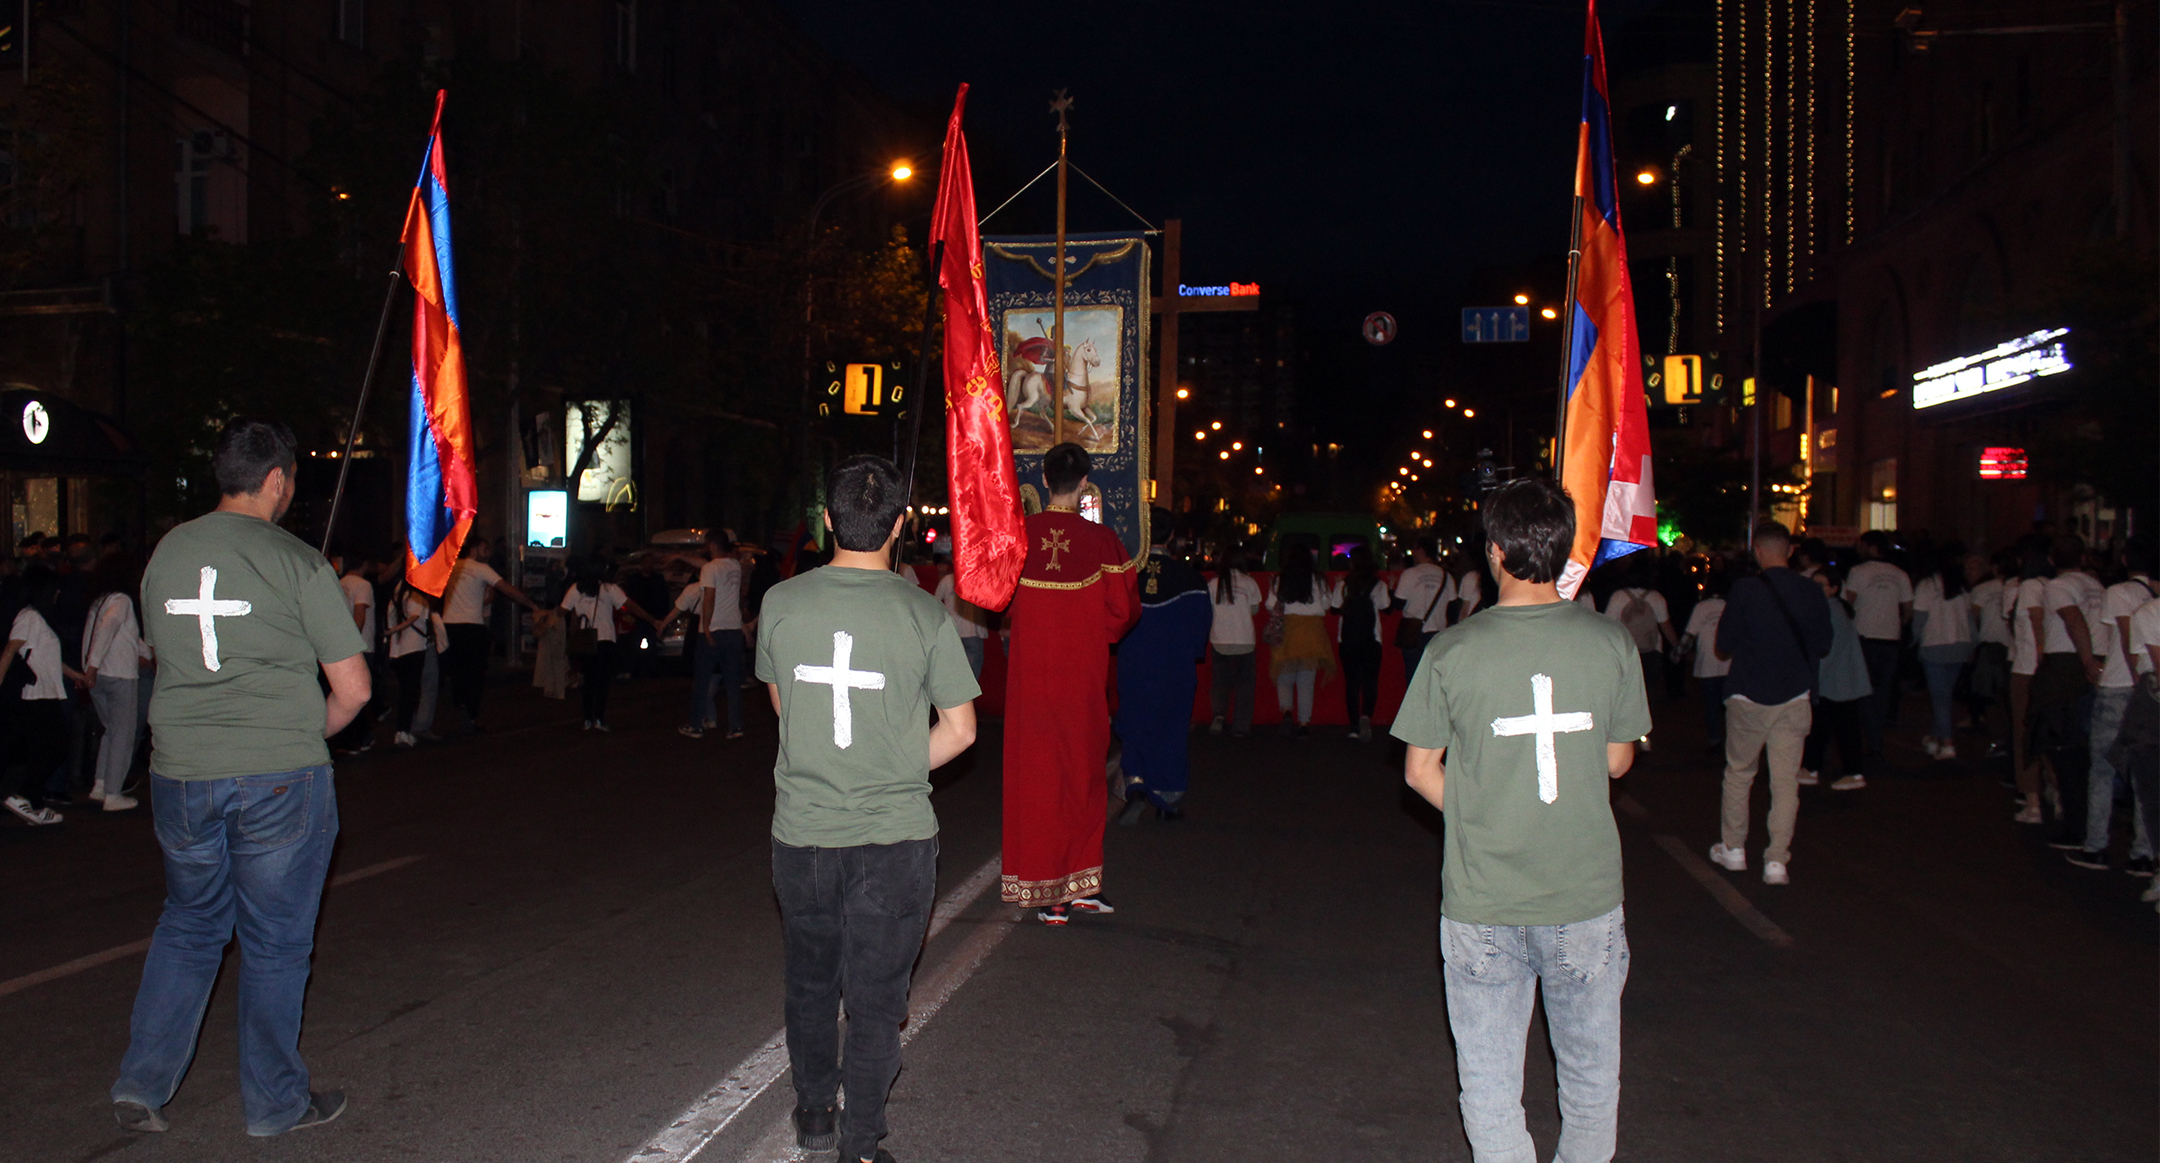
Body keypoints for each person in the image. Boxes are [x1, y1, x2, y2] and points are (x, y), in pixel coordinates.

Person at [110, 418, 369, 1137]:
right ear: (277, 479)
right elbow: (353, 690)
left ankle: (141, 1082)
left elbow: (167, 654)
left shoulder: (167, 552)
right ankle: (274, 1103)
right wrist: (300, 732)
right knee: (276, 942)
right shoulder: (298, 562)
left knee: (189, 923)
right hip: (278, 776)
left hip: (181, 774)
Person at [1391, 476, 1649, 1163]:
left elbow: (1419, 771)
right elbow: (1618, 761)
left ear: (1495, 551)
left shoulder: (1451, 650)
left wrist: (1480, 814)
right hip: (1584, 894)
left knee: (1491, 1087)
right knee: (1591, 1083)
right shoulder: (1610, 642)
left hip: (1484, 897)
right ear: (1563, 549)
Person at [754, 455, 979, 1163]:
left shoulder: (781, 603)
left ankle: (815, 1111)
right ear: (901, 524)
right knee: (877, 1001)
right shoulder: (925, 613)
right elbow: (962, 730)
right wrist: (892, 765)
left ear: (828, 519)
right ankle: (859, 1145)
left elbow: (786, 706)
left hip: (804, 834)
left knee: (811, 982)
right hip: (894, 840)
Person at [1000, 442, 1138, 924]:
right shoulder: (1102, 541)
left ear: (1043, 479)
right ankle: (1060, 891)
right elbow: (1124, 611)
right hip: (1081, 681)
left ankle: (1068, 889)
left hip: (1032, 683)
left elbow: (1000, 601)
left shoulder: (1021, 538)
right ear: (1084, 483)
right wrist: (1088, 633)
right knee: (1083, 778)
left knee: (1041, 780)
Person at [1712, 522, 1833, 885]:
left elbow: (1724, 644)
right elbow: (1823, 644)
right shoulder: (1811, 590)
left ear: (1758, 551)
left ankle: (1734, 849)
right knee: (1785, 781)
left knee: (1740, 773)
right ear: (1791, 551)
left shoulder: (1745, 589)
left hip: (1748, 692)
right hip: (1794, 695)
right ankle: (1777, 860)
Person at [1114, 510, 1214, 823]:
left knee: (1134, 723)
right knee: (1170, 728)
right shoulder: (1190, 578)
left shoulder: (1127, 575)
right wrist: (1192, 653)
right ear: (1171, 536)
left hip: (1134, 663)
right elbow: (1200, 624)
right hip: (1174, 666)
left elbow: (1114, 619)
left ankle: (1135, 784)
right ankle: (1166, 799)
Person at [2075, 538, 2157, 871]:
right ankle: (2143, 852)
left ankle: (2096, 845)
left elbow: (2125, 635)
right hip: (2147, 694)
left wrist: (2136, 677)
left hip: (2121, 688)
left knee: (2102, 769)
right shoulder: (2153, 596)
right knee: (2144, 774)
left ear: (2125, 559)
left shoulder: (2120, 592)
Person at [2033, 535, 2104, 847]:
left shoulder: (2058, 586)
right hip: (2093, 661)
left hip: (2067, 667)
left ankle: (2077, 827)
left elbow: (2072, 618)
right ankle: (2087, 822)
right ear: (2083, 558)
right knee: (2081, 749)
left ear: (2052, 559)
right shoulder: (2095, 586)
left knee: (2064, 748)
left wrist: (2087, 661)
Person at [1, 565, 86, 824]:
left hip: (45, 692)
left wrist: (75, 676)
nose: (57, 594)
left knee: (43, 749)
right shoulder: (30, 617)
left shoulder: (38, 618)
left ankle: (34, 805)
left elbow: (48, 658)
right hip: (36, 694)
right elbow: (10, 650)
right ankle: (23, 796)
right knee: (55, 748)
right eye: (54, 589)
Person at [441, 537, 542, 732]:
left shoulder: (452, 566)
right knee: (475, 672)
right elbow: (507, 589)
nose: (487, 552)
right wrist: (530, 604)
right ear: (474, 548)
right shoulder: (481, 568)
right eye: (485, 548)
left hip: (450, 624)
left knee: (457, 669)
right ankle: (470, 715)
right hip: (471, 625)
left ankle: (459, 703)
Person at [81, 553, 147, 811]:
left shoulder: (100, 601)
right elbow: (109, 628)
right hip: (119, 674)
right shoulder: (122, 600)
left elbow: (118, 635)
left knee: (111, 730)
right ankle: (113, 793)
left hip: (100, 676)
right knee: (123, 734)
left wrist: (91, 667)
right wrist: (93, 666)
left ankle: (101, 785)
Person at [559, 562, 657, 732]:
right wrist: (652, 620)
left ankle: (587, 719)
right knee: (602, 681)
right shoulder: (609, 589)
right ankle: (599, 718)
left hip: (585, 639)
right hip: (605, 639)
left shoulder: (576, 588)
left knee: (588, 680)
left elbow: (563, 611)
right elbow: (630, 605)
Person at [1800, 567, 1873, 790]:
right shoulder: (1834, 609)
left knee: (1837, 729)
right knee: (1830, 728)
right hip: (1840, 682)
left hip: (1836, 682)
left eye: (1821, 584)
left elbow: (1826, 653)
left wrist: (1811, 681)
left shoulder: (1831, 612)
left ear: (1833, 588)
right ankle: (1815, 768)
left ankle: (1848, 772)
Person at [1844, 530, 1913, 755]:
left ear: (1871, 547)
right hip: (1890, 639)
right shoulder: (1900, 574)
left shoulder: (1858, 572)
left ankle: (1866, 737)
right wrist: (1898, 624)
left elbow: (1848, 603)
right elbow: (1908, 609)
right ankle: (1876, 737)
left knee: (1863, 689)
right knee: (1883, 691)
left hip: (1864, 637)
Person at [1601, 557, 1679, 739]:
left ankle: (1626, 735)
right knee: (1646, 695)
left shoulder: (1618, 596)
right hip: (1652, 653)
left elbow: (1608, 625)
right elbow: (1666, 626)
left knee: (1624, 696)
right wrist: (1677, 647)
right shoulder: (1657, 597)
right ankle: (1643, 733)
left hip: (1624, 654)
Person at [679, 530, 746, 740]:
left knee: (702, 680)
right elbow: (709, 566)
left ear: (712, 545)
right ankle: (736, 726)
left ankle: (696, 725)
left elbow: (709, 598)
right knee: (733, 682)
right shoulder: (734, 566)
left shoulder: (710, 569)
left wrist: (706, 628)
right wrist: (680, 557)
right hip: (733, 629)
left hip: (713, 630)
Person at [1909, 545, 1974, 760]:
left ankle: (1947, 742)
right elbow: (1970, 620)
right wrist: (1972, 645)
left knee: (1940, 698)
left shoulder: (1927, 585)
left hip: (1934, 645)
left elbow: (1919, 619)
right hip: (1960, 645)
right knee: (1945, 695)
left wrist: (1914, 641)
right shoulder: (1962, 587)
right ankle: (1935, 737)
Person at [2007, 539, 2055, 822]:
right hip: (2051, 670)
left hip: (2028, 668)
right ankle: (2057, 795)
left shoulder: (2028, 587)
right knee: (2050, 734)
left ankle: (2032, 801)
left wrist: (2040, 653)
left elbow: (2036, 621)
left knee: (2024, 735)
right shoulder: (2055, 586)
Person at [1267, 543, 1335, 739]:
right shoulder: (1319, 579)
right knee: (1306, 681)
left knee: (1284, 677)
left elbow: (1270, 605)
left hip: (1288, 630)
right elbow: (1327, 604)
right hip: (1312, 632)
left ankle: (1287, 711)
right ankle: (1304, 723)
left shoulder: (1279, 579)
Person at [1329, 544, 1392, 742]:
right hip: (1372, 640)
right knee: (1370, 681)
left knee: (1352, 683)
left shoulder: (1344, 584)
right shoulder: (1378, 585)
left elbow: (1334, 609)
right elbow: (1386, 607)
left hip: (1348, 640)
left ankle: (1354, 726)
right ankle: (1366, 716)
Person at [1207, 549, 1264, 736]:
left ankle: (1218, 716)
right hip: (1244, 640)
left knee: (1220, 682)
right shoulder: (1249, 582)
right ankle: (1241, 726)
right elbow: (1255, 609)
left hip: (1220, 639)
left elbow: (1209, 610)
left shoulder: (1214, 583)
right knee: (1244, 685)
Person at [1965, 550, 2014, 756]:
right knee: (2007, 695)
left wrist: (1971, 646)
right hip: (2013, 647)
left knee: (1990, 694)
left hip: (1990, 646)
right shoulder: (2019, 586)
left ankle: (2000, 738)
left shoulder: (1983, 589)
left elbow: (1973, 620)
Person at [385, 579, 444, 747]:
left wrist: (391, 631)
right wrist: (392, 630)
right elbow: (414, 617)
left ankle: (403, 730)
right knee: (411, 692)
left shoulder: (395, 598)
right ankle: (404, 732)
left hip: (397, 650)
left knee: (405, 691)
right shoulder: (415, 598)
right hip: (414, 648)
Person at [331, 554, 379, 754]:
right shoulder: (363, 585)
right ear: (364, 563)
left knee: (341, 694)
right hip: (360, 645)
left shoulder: (339, 583)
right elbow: (360, 614)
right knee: (360, 694)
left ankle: (346, 739)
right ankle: (359, 739)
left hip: (337, 645)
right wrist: (353, 643)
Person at [1680, 571, 1731, 750]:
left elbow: (1690, 634)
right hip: (1729, 662)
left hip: (1707, 662)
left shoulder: (1702, 607)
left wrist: (1678, 653)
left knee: (1711, 704)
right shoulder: (1731, 606)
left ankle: (1714, 738)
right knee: (1730, 704)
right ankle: (1731, 737)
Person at [1393, 536, 1454, 677]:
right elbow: (1453, 608)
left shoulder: (1410, 574)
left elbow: (1398, 604)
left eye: (1414, 549)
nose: (1413, 553)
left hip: (1413, 633)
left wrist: (1391, 589)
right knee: (1435, 677)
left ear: (1421, 551)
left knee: (1414, 677)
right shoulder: (1446, 576)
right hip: (1439, 634)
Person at [933, 563, 998, 679]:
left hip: (952, 631)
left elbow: (935, 602)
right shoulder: (979, 579)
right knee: (972, 671)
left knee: (950, 669)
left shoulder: (947, 580)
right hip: (972, 631)